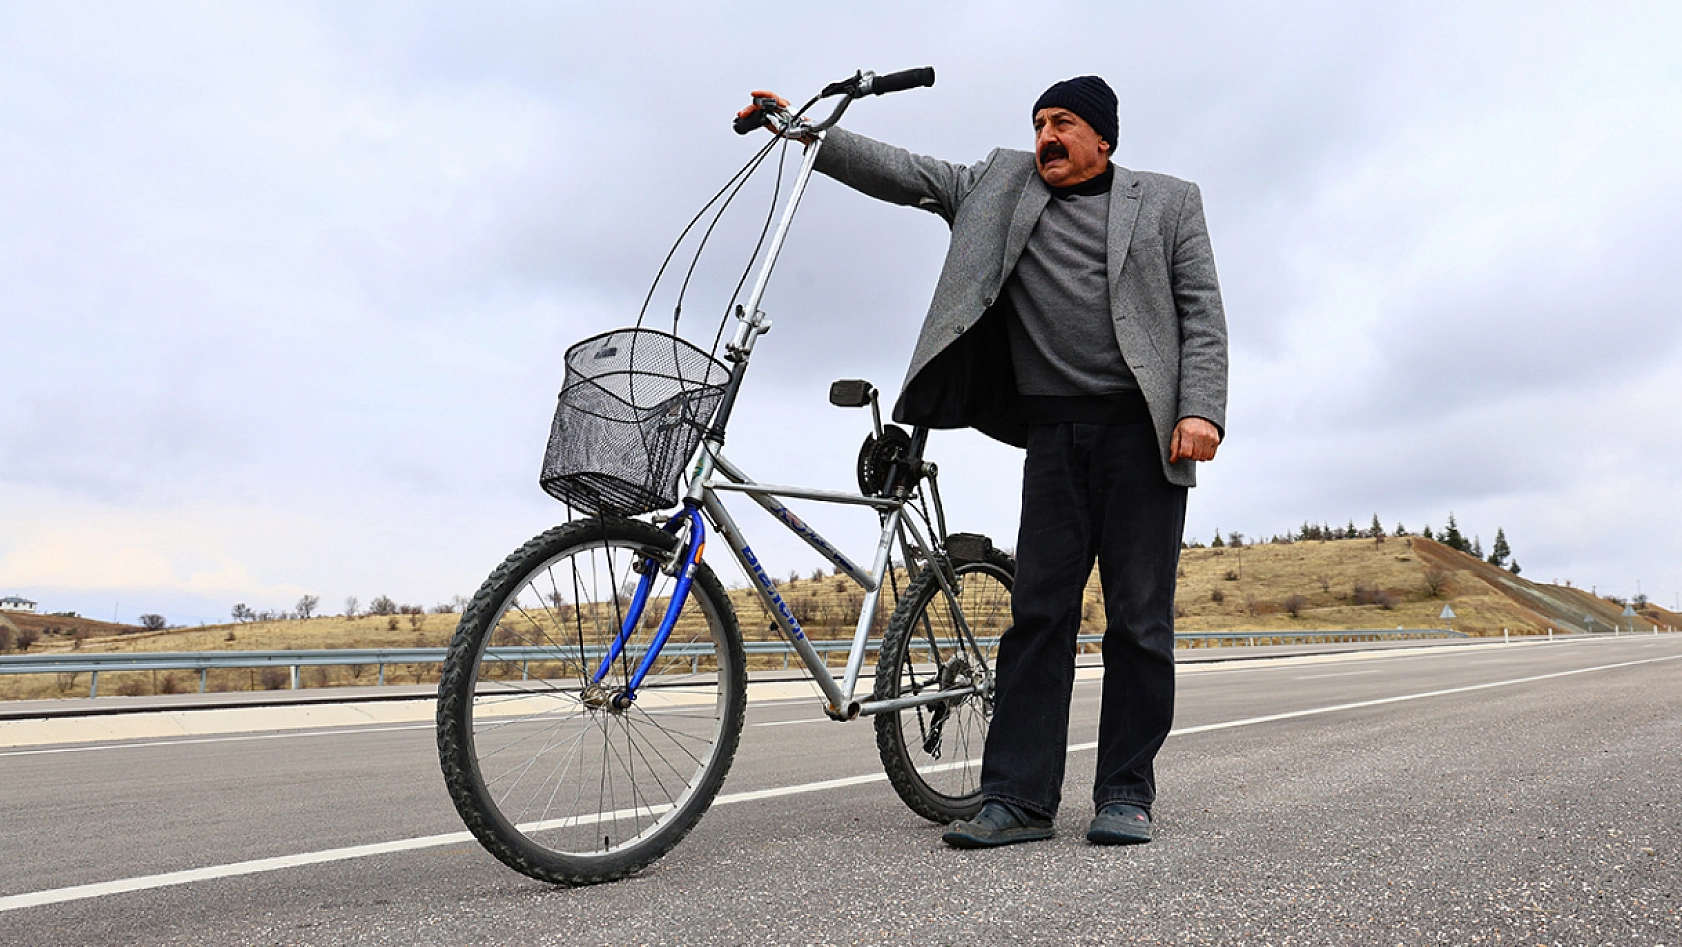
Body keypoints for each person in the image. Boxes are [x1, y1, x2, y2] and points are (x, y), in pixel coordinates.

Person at [740, 75, 1227, 847]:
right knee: (1039, 616)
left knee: (1139, 620)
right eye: (1038, 122)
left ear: (1103, 137)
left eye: (1063, 122)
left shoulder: (1168, 201)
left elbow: (1201, 308)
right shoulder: (999, 183)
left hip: (1142, 434)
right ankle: (1019, 799)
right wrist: (808, 132)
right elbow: (908, 173)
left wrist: (1201, 408)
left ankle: (1126, 792)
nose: (1046, 136)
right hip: (1054, 435)